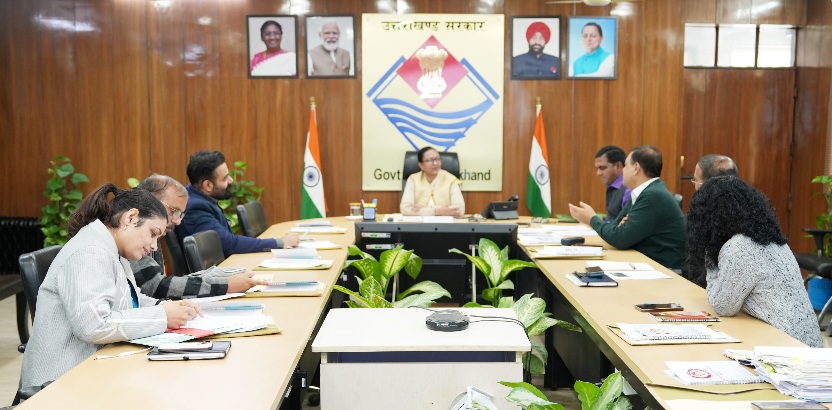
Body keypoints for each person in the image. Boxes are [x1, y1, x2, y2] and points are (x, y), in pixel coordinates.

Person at [21, 183, 202, 389]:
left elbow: (131, 299)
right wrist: (162, 316)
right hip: (61, 382)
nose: (154, 246)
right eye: (153, 233)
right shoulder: (89, 251)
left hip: (94, 368)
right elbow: (93, 326)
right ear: (130, 218)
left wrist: (167, 306)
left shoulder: (111, 248)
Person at [686, 176, 823, 347]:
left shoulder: (740, 247)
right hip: (807, 343)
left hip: (790, 350)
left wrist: (709, 252)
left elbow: (722, 306)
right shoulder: (771, 240)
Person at [130, 174, 267, 299]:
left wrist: (221, 275)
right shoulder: (133, 235)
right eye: (174, 211)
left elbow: (159, 283)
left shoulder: (151, 232)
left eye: (180, 214)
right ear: (151, 201)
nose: (178, 221)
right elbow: (158, 287)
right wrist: (225, 285)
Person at [568, 145, 686, 270]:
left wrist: (591, 219)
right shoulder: (642, 192)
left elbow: (619, 238)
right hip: (645, 264)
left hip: (664, 270)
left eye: (625, 165)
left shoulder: (653, 195)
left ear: (636, 168)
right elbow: (615, 228)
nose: (623, 170)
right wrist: (619, 231)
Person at [175, 150, 299, 257]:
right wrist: (279, 243)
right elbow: (230, 244)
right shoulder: (195, 207)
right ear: (207, 185)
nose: (231, 180)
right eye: (225, 178)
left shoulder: (199, 194)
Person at [400, 147, 465, 217]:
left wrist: (425, 209)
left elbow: (460, 210)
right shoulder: (413, 179)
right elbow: (404, 209)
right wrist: (439, 211)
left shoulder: (451, 180)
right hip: (419, 223)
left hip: (444, 223)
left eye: (438, 159)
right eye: (430, 160)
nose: (435, 163)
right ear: (421, 165)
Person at [594, 146, 631, 221]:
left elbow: (626, 224)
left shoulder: (628, 189)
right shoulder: (612, 186)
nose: (598, 173)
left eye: (602, 168)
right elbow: (613, 219)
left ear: (618, 167)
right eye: (597, 168)